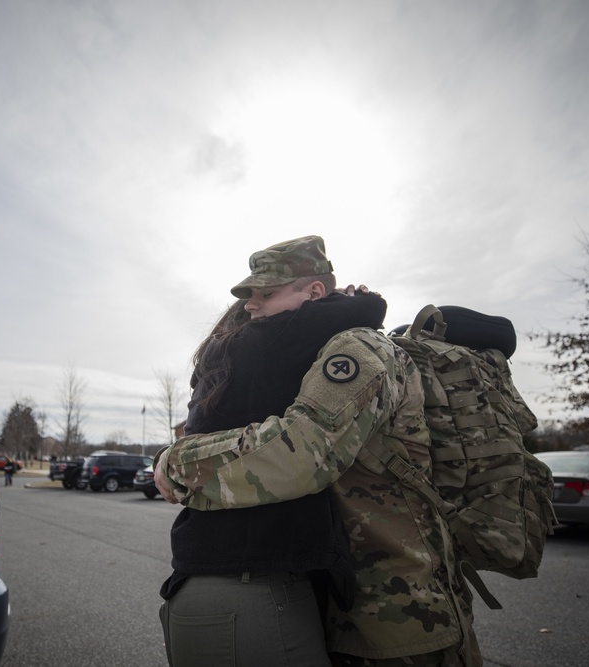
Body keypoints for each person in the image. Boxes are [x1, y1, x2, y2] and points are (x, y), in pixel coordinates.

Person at [156, 300, 481, 665]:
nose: (256, 307)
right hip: (370, 608)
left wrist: (176, 462)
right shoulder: (272, 351)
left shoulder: (347, 347)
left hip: (398, 613)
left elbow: (300, 456)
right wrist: (357, 304)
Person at [159, 235, 389, 667]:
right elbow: (359, 313)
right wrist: (362, 302)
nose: (251, 304)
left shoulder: (237, 351)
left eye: (266, 293)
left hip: (226, 582)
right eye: (250, 295)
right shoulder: (263, 343)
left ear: (313, 291)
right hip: (247, 590)